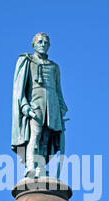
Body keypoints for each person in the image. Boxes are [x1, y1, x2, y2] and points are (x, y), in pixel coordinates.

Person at [11, 33, 68, 177]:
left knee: (46, 138)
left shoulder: (54, 67)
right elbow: (19, 88)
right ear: (34, 44)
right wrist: (25, 106)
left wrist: (61, 108)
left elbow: (58, 90)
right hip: (35, 105)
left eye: (46, 42)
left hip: (52, 107)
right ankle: (30, 166)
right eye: (40, 42)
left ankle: (40, 167)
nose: (43, 44)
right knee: (35, 135)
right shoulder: (27, 61)